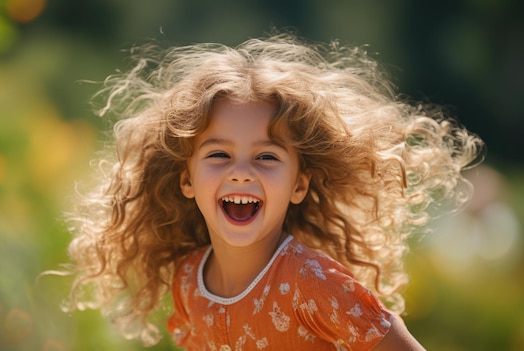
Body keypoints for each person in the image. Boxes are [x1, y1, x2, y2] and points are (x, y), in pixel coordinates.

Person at [61, 33, 483, 350]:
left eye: (266, 157)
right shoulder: (189, 280)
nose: (241, 172)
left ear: (299, 185)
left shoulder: (311, 281)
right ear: (186, 180)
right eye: (218, 155)